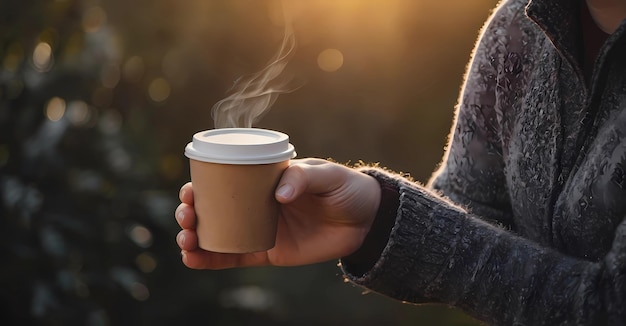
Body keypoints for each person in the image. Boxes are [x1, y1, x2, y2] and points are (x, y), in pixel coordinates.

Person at [175, 0, 626, 324]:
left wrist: (383, 215)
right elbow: (469, 209)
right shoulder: (521, 26)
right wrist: (370, 223)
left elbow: (609, 307)